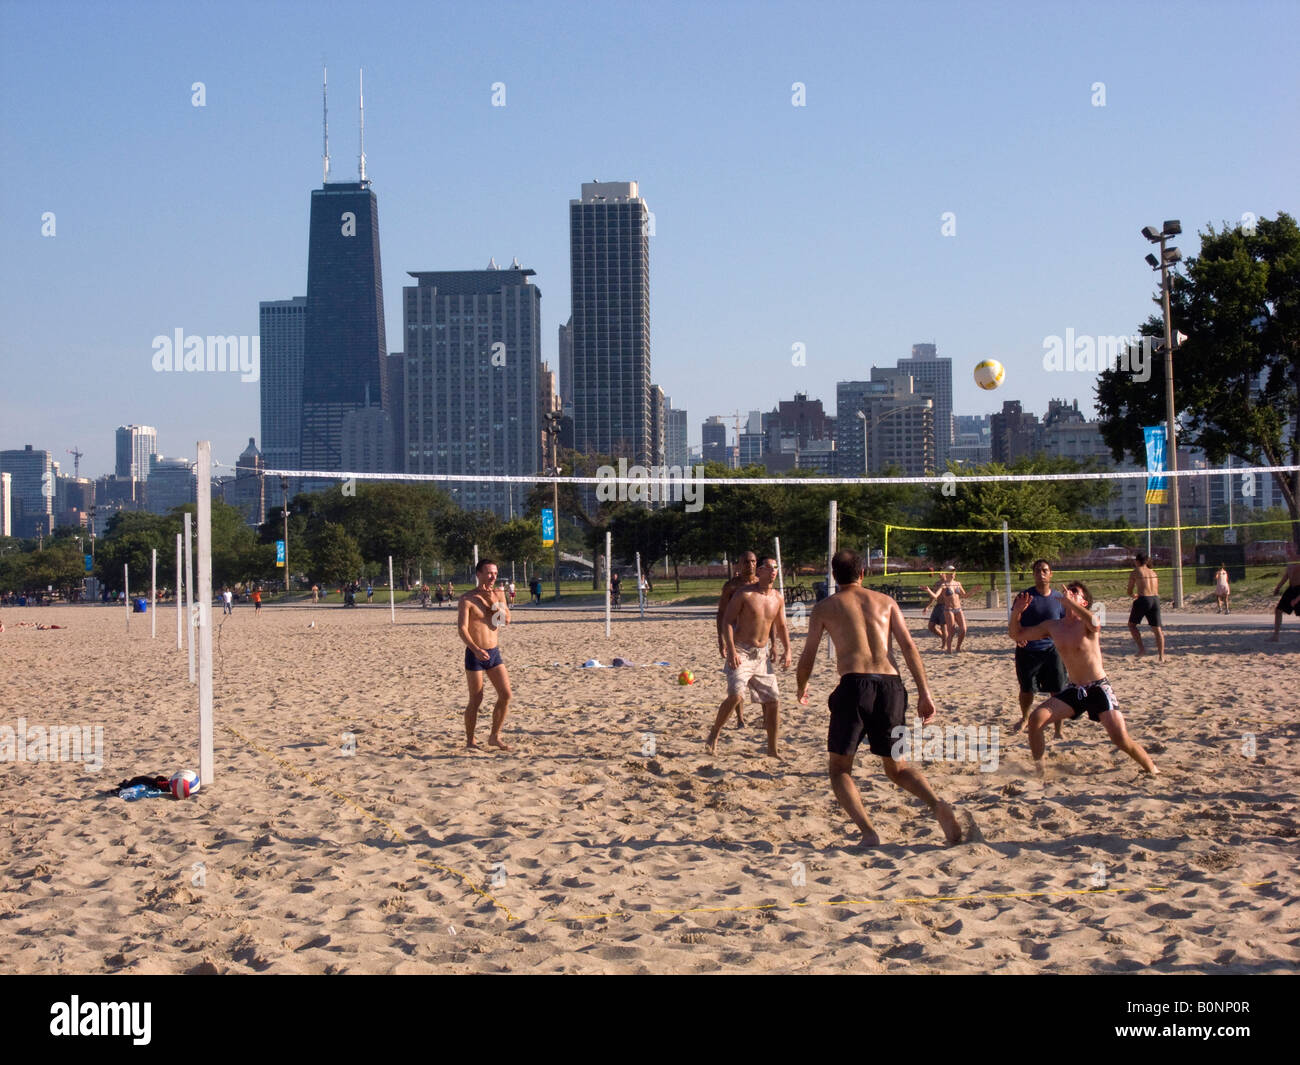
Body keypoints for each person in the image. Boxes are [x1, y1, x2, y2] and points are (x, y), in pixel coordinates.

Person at [796, 549, 963, 846]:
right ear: (863, 573)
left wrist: (801, 686)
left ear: (834, 576)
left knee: (839, 769)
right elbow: (909, 647)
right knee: (897, 767)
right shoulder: (886, 602)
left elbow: (808, 655)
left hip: (854, 685)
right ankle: (937, 805)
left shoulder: (825, 607)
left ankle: (869, 833)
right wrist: (925, 693)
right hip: (891, 686)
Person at [1010, 581, 1157, 775]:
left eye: (1075, 592)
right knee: (1036, 720)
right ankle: (1040, 771)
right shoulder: (1053, 626)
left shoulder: (1087, 622)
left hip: (1098, 687)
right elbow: (1015, 634)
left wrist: (1070, 603)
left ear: (1084, 602)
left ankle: (1152, 770)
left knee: (1120, 738)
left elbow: (1096, 624)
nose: (1068, 593)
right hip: (1075, 689)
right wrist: (1017, 612)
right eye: (1068, 591)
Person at [709, 556, 791, 756]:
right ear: (760, 572)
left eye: (776, 568)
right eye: (769, 567)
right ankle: (715, 732)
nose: (773, 571)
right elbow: (726, 620)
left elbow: (780, 626)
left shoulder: (777, 597)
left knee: (773, 701)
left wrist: (785, 649)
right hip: (742, 651)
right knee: (736, 695)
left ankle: (772, 748)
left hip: (761, 655)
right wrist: (730, 649)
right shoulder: (742, 594)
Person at [458, 559, 512, 750]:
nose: (493, 577)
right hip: (475, 653)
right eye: (489, 573)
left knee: (506, 695)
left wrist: (493, 602)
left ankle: (494, 736)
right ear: (479, 574)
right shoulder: (467, 599)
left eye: (495, 573)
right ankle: (470, 740)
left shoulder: (498, 593)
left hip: (493, 652)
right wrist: (475, 649)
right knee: (476, 698)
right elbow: (462, 629)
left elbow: (504, 621)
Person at [1010, 560, 1065, 739]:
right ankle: (1025, 718)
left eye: (1044, 570)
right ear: (1033, 574)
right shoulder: (1025, 596)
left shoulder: (1058, 598)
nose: (1041, 573)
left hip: (1052, 650)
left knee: (1057, 690)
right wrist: (1018, 638)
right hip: (1028, 650)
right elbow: (1014, 623)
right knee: (1027, 690)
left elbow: (1065, 624)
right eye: (1037, 571)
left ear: (1051, 574)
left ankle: (1058, 730)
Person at [715, 551, 759, 730]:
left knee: (759, 684)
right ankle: (740, 719)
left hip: (756, 640)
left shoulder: (760, 584)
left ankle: (764, 718)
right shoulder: (731, 586)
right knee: (738, 682)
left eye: (753, 561)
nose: (750, 565)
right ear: (739, 565)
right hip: (736, 638)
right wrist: (721, 638)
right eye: (746, 562)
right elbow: (721, 613)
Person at [1126, 553, 1166, 661]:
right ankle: (1161, 656)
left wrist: (1132, 595)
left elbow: (1129, 590)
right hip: (1155, 599)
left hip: (1143, 599)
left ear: (1137, 561)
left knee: (1132, 625)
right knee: (1157, 630)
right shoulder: (1153, 572)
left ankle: (1141, 649)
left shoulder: (1136, 571)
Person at [924, 566, 967, 652]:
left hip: (952, 608)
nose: (939, 574)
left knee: (958, 629)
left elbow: (965, 595)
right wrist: (928, 603)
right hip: (942, 607)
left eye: (941, 573)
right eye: (938, 573)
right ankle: (946, 644)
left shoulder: (956, 583)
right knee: (933, 627)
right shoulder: (940, 584)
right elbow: (935, 596)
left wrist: (974, 590)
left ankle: (952, 646)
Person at [1268, 547, 1300, 642]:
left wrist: (1298, 598)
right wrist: (1278, 587)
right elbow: (1287, 575)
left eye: (1290, 548)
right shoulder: (1290, 560)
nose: (1288, 550)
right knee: (1278, 610)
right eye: (1287, 548)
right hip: (1291, 589)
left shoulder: (1299, 559)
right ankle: (1276, 636)